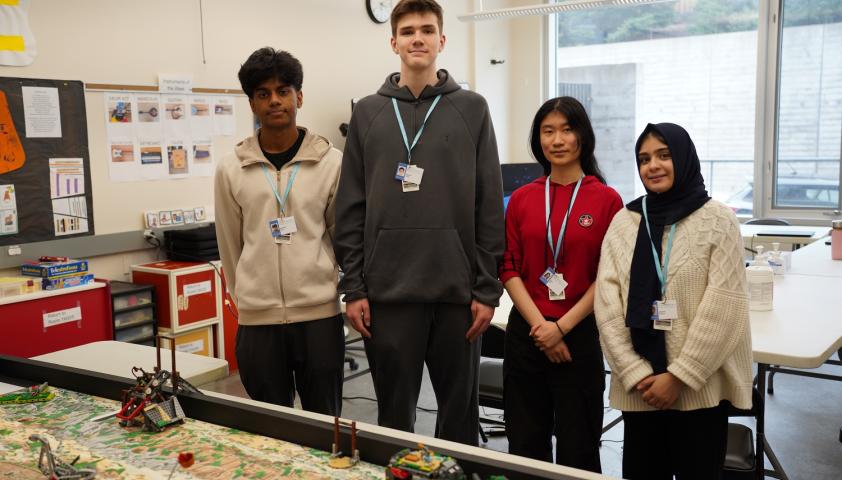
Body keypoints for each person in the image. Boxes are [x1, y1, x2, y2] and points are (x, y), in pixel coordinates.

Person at [334, 0, 504, 446]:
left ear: (441, 40)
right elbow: (350, 209)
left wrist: (487, 291)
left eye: (427, 30)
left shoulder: (472, 109)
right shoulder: (368, 113)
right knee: (394, 420)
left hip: (458, 299)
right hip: (388, 297)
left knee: (459, 422)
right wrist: (354, 288)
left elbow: (488, 206)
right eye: (407, 31)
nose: (417, 38)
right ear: (394, 42)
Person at [594, 123, 753, 479]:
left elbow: (724, 307)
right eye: (644, 158)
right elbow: (607, 305)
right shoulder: (625, 221)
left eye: (664, 155)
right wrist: (635, 373)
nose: (653, 165)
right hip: (640, 390)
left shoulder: (719, 220)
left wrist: (680, 377)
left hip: (700, 390)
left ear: (683, 157)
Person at [214, 47, 344, 415]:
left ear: (298, 97)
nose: (274, 101)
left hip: (319, 317)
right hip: (259, 323)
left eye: (283, 91)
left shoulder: (332, 162)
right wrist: (249, 300)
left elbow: (340, 236)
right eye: (263, 94)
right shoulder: (231, 169)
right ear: (252, 103)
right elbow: (229, 245)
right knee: (271, 432)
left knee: (326, 425)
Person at [499, 97, 622, 471]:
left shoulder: (607, 200)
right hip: (527, 332)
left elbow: (608, 275)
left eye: (567, 129)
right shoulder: (521, 199)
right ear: (538, 140)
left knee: (579, 447)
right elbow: (509, 268)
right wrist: (542, 328)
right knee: (524, 443)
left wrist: (561, 329)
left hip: (579, 334)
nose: (557, 139)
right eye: (548, 131)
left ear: (583, 136)